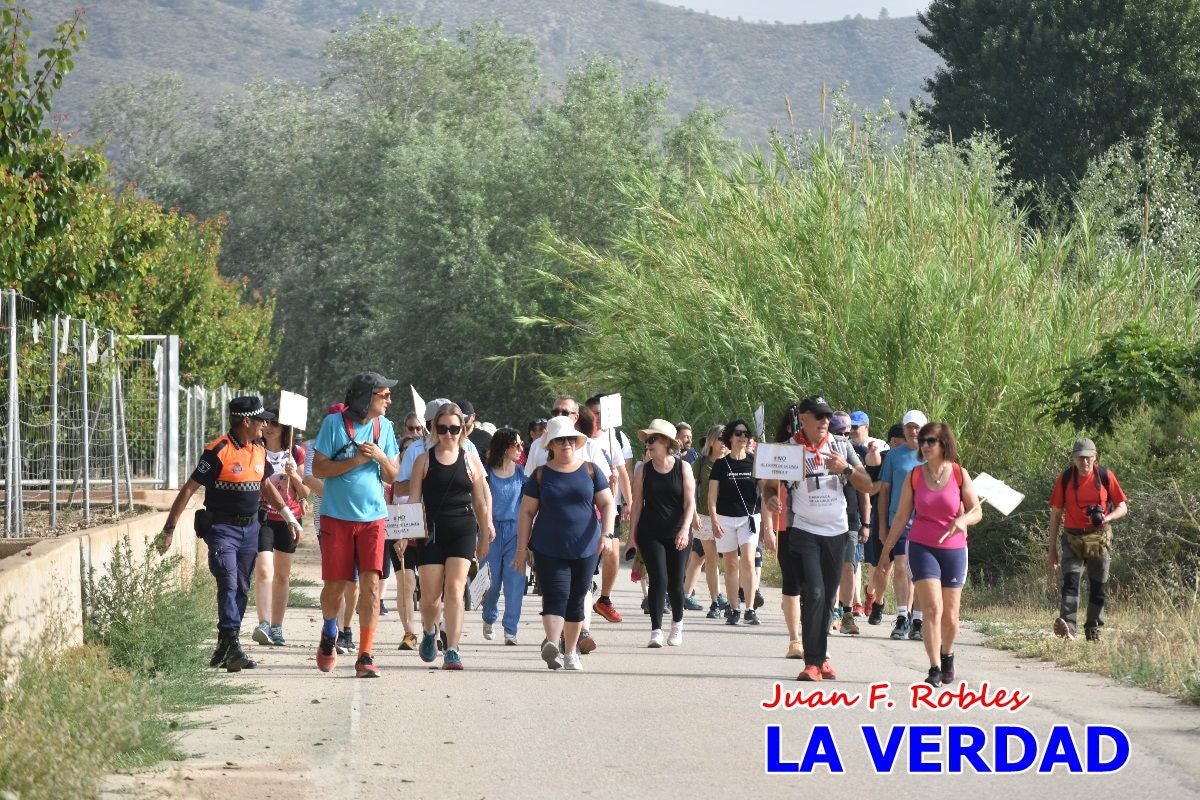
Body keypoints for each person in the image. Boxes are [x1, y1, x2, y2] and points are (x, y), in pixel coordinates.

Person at [157, 396, 301, 672]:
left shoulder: (258, 448)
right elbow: (189, 489)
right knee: (228, 579)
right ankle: (232, 644)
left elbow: (265, 486)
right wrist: (169, 528)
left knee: (242, 586)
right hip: (222, 529)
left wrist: (289, 517)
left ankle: (224, 645)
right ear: (246, 421)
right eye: (261, 420)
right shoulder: (218, 450)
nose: (265, 425)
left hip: (251, 529)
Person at [762, 396, 873, 681]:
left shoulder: (841, 446)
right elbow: (767, 487)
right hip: (804, 530)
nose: (825, 421)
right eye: (819, 416)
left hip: (837, 532)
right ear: (803, 418)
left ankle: (821, 658)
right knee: (814, 592)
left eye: (827, 416)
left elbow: (867, 485)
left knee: (827, 599)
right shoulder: (786, 450)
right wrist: (772, 499)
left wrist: (845, 469)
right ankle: (812, 662)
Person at [311, 372, 400, 678]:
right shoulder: (334, 425)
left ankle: (365, 654)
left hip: (373, 518)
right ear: (366, 398)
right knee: (335, 586)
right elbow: (319, 467)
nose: (389, 400)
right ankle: (328, 631)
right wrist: (357, 462)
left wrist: (378, 457)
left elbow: (392, 476)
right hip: (336, 517)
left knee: (372, 585)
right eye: (384, 395)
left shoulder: (385, 428)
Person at [880, 421, 982, 686]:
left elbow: (976, 511)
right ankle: (934, 666)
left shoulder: (960, 474)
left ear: (943, 444)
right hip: (922, 547)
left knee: (951, 614)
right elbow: (902, 516)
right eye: (922, 441)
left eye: (930, 441)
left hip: (955, 549)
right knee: (932, 608)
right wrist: (886, 552)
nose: (924, 445)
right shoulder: (914, 476)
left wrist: (963, 521)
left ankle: (948, 656)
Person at [516, 416, 616, 670]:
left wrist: (607, 534)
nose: (566, 444)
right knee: (555, 595)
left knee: (576, 598)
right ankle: (552, 643)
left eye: (570, 439)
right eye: (559, 440)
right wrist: (521, 548)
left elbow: (607, 504)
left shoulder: (591, 471)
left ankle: (570, 652)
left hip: (586, 546)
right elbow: (526, 513)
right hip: (548, 546)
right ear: (550, 445)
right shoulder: (540, 475)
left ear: (577, 441)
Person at [405, 403, 495, 670]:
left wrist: (484, 536)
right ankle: (430, 631)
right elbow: (413, 501)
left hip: (463, 529)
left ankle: (453, 649)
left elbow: (480, 503)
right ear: (435, 429)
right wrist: (403, 536)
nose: (448, 434)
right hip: (431, 531)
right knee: (431, 597)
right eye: (442, 428)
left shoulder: (470, 460)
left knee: (455, 589)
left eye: (454, 428)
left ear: (463, 428)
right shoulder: (424, 460)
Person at [1047, 438, 1128, 642]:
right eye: (1080, 458)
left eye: (1088, 458)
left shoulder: (1105, 476)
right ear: (1074, 459)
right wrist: (1052, 549)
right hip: (1072, 537)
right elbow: (1056, 514)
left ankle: (1093, 629)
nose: (1084, 463)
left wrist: (1107, 517)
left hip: (1097, 537)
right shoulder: (1064, 479)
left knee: (1098, 585)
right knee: (1071, 582)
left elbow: (1122, 507)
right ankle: (1069, 628)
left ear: (1095, 457)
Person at [628, 420, 695, 647]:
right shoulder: (643, 470)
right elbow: (637, 504)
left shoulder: (683, 467)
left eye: (653, 439)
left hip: (678, 532)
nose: (648, 444)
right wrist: (631, 539)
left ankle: (677, 625)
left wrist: (685, 530)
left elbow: (690, 504)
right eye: (647, 440)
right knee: (658, 579)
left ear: (667, 442)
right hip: (650, 532)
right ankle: (656, 630)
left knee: (676, 582)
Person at [251, 412, 310, 647]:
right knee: (264, 570)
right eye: (266, 423)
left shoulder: (296, 453)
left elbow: (305, 492)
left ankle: (277, 627)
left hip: (290, 519)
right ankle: (263, 623)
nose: (269, 427)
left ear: (285, 427)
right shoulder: (256, 450)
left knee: (282, 575)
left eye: (275, 423)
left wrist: (293, 473)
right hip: (262, 515)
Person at [871, 410, 929, 641]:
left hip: (927, 522)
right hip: (900, 521)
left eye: (917, 427)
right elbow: (884, 492)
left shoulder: (933, 454)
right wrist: (883, 525)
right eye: (909, 427)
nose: (913, 431)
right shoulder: (894, 456)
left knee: (921, 573)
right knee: (902, 567)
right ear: (904, 430)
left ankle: (918, 619)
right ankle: (902, 616)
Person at [709, 418, 763, 626]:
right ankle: (733, 608)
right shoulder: (721, 465)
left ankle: (750, 608)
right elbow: (712, 495)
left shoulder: (755, 461)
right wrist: (713, 519)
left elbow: (766, 489)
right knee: (730, 564)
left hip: (748, 518)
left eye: (746, 434)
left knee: (748, 561)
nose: (742, 437)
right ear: (730, 437)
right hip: (725, 518)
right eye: (738, 433)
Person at [585, 394, 633, 625]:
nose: (598, 419)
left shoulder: (614, 437)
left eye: (602, 414)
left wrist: (629, 502)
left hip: (608, 506)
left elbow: (623, 472)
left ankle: (604, 597)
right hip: (585, 508)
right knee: (590, 557)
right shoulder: (577, 437)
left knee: (612, 551)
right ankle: (587, 590)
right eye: (595, 413)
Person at [480, 427, 527, 646]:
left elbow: (528, 506)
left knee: (514, 582)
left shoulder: (522, 473)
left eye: (521, 444)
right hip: (490, 532)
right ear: (504, 447)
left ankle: (511, 629)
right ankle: (489, 617)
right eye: (516, 445)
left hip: (515, 532)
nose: (520, 448)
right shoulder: (486, 473)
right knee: (491, 583)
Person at [682, 425, 727, 617]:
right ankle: (716, 600)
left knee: (735, 561)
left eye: (727, 439)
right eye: (720, 439)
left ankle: (733, 599)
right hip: (706, 517)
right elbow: (690, 490)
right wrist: (692, 516)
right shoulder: (701, 463)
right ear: (712, 441)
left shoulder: (733, 462)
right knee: (710, 559)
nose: (724, 443)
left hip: (731, 517)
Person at [830, 411, 868, 636]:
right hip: (826, 520)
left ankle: (846, 613)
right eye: (838, 433)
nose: (843, 438)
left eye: (847, 433)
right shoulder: (821, 455)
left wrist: (867, 523)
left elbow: (864, 489)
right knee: (829, 568)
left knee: (848, 566)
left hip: (851, 520)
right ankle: (830, 610)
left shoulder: (854, 455)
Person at [865, 422, 902, 625]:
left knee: (906, 568)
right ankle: (878, 602)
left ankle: (907, 614)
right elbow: (870, 489)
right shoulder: (885, 459)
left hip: (909, 520)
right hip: (884, 519)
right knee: (883, 567)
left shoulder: (919, 459)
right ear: (895, 441)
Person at [390, 434, 422, 651]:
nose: (409, 453)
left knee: (431, 587)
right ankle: (409, 632)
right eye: (405, 450)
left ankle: (435, 629)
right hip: (398, 535)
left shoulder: (427, 474)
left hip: (425, 536)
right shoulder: (391, 478)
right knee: (406, 583)